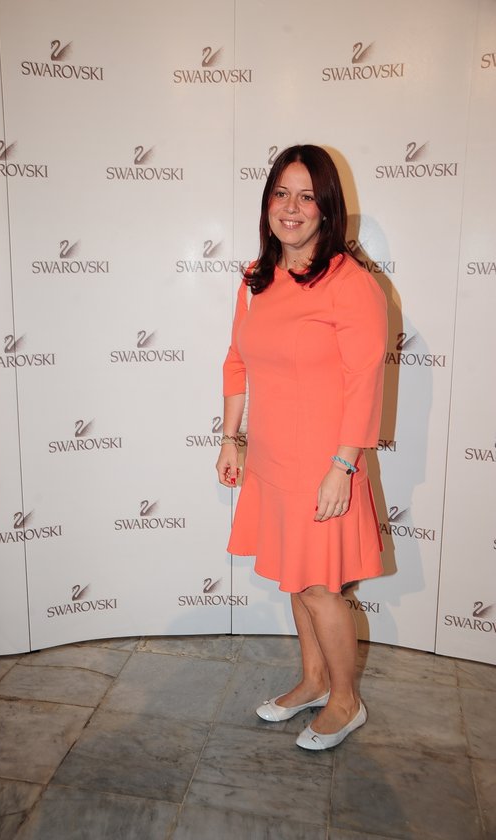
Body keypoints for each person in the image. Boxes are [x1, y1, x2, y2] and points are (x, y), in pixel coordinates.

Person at [216, 144, 387, 750]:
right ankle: (315, 681)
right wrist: (231, 438)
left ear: (326, 208)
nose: (291, 207)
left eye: (307, 196)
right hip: (271, 459)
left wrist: (343, 465)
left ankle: (346, 701)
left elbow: (365, 380)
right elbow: (237, 360)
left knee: (320, 587)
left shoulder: (350, 283)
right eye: (281, 193)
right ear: (267, 202)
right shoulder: (256, 279)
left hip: (324, 463)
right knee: (297, 579)